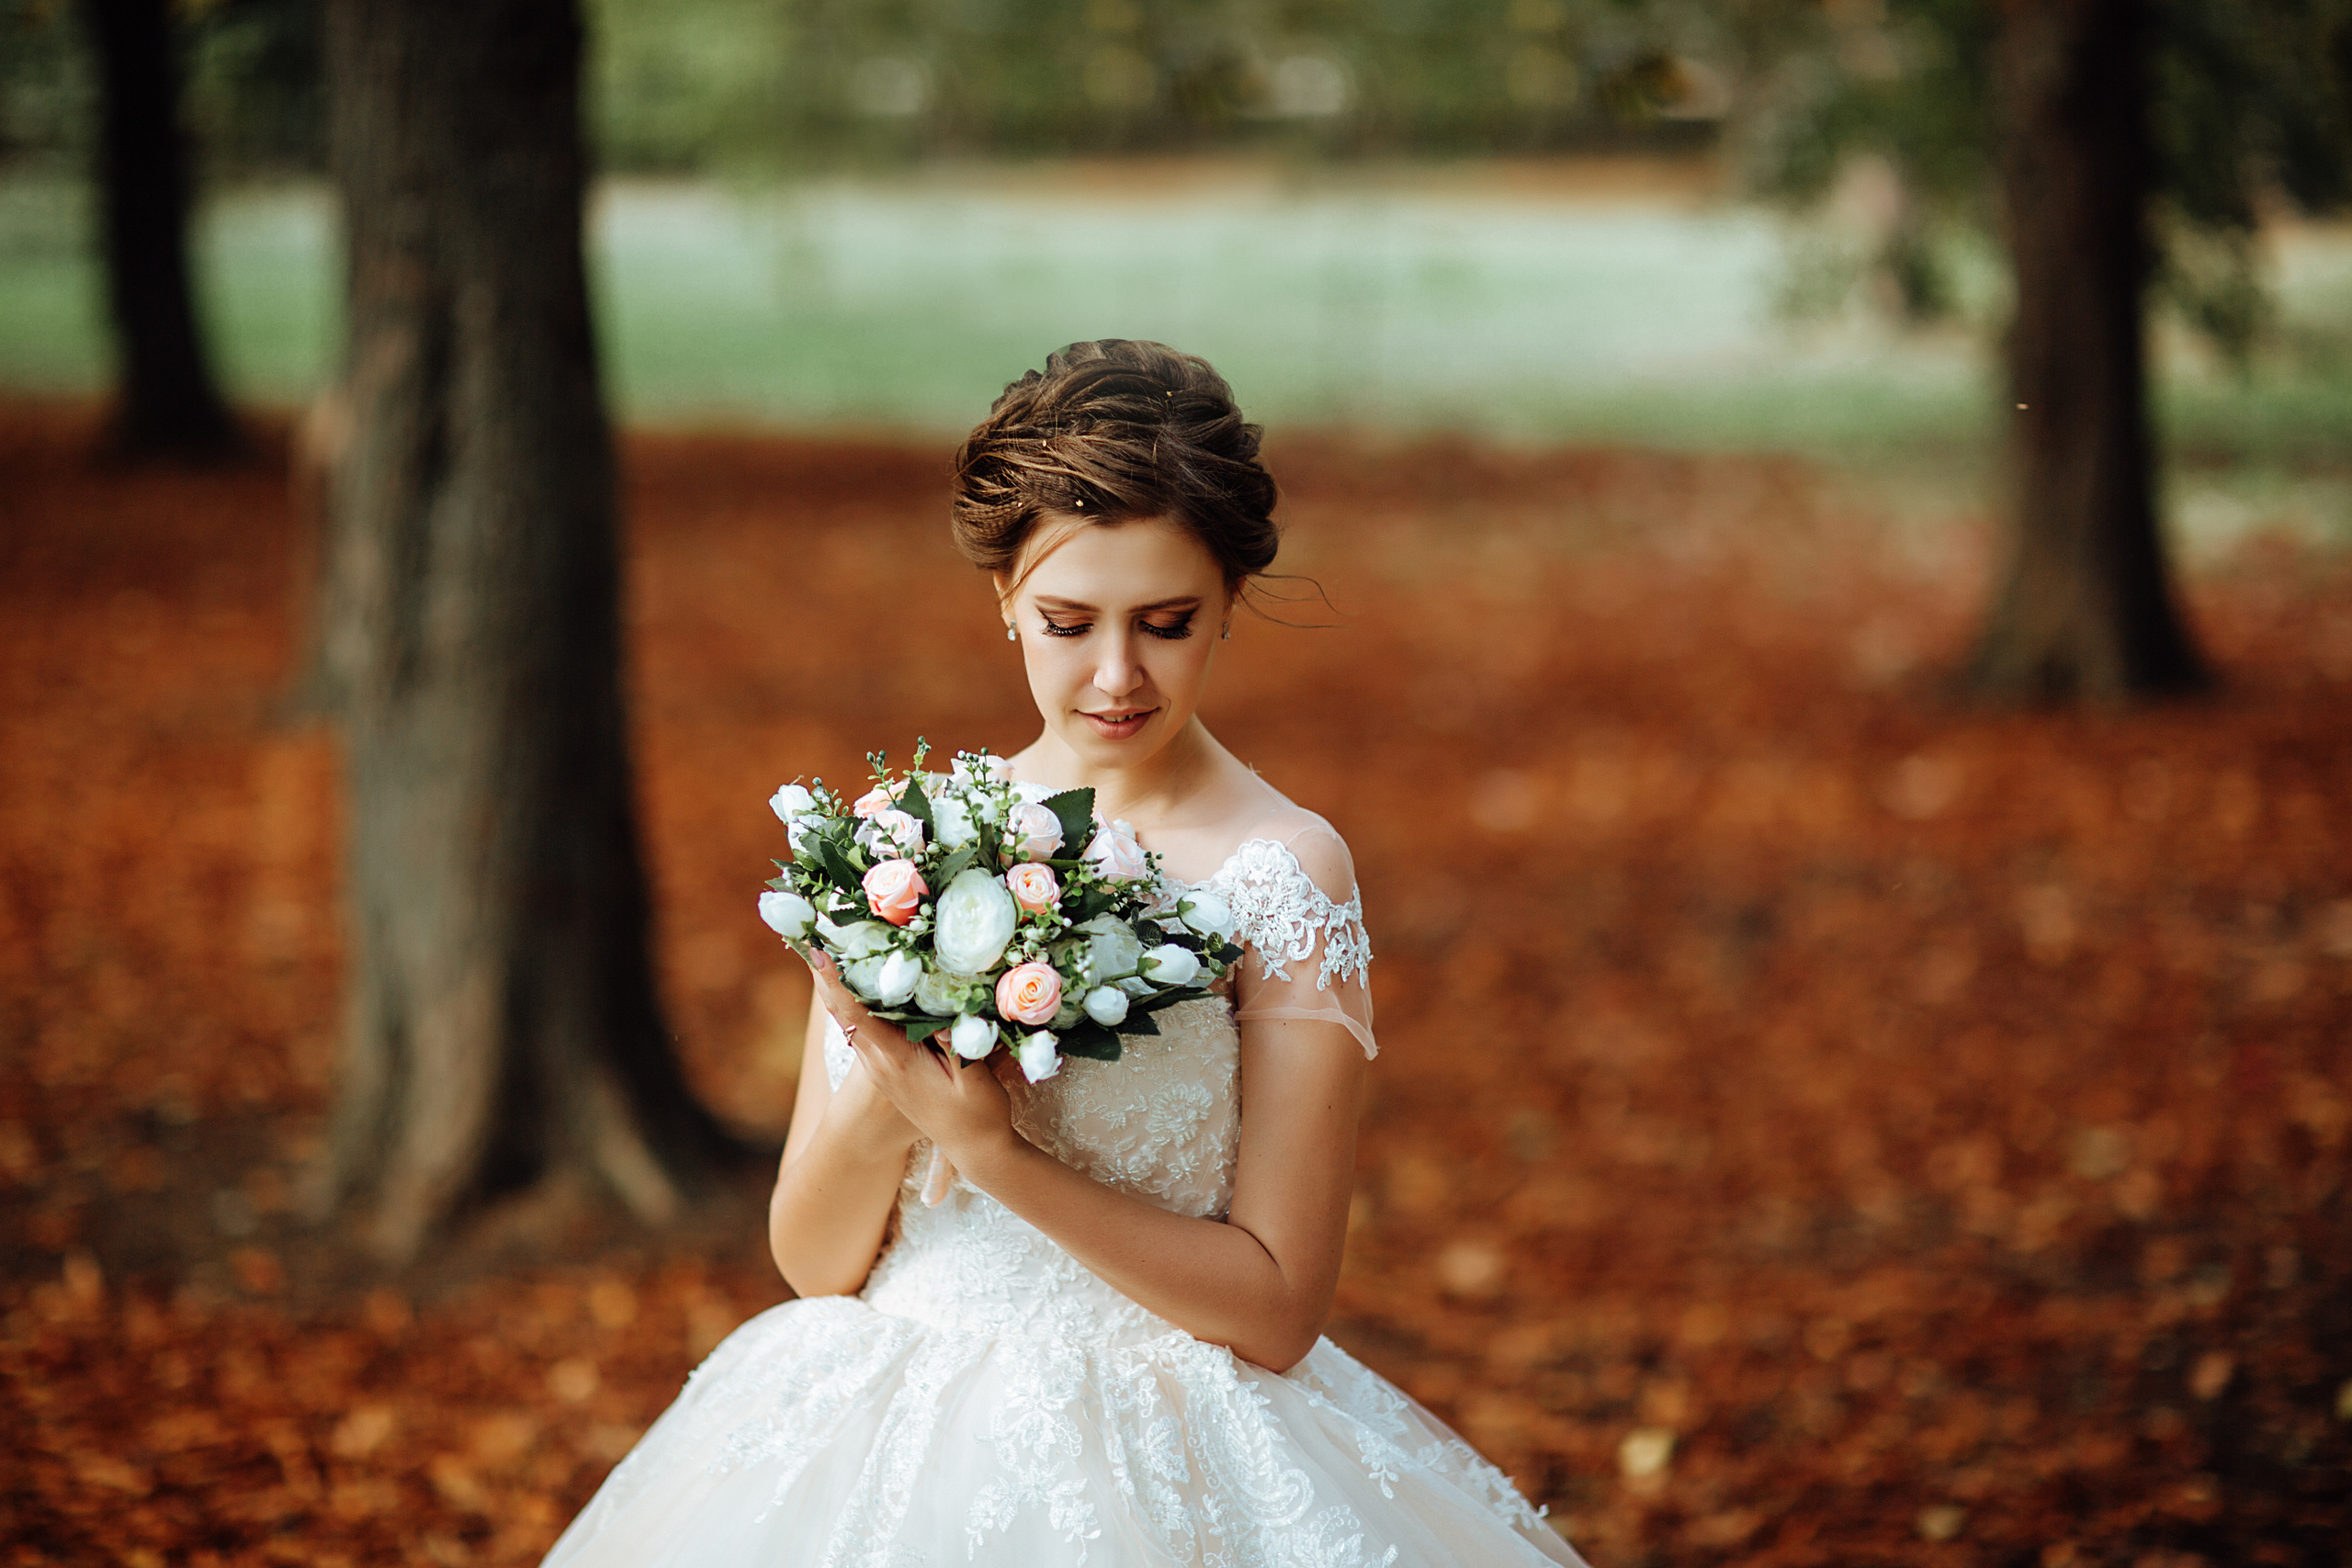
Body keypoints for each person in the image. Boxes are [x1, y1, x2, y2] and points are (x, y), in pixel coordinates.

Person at [541, 341, 1586, 1567]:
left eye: (1167, 624)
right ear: (1004, 599)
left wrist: (994, 1154)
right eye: (1067, 622)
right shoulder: (910, 846)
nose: (1116, 675)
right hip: (890, 1437)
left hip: (1177, 1444)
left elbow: (1277, 1309)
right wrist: (888, 1106)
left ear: (1228, 600)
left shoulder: (1282, 872)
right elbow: (812, 1261)